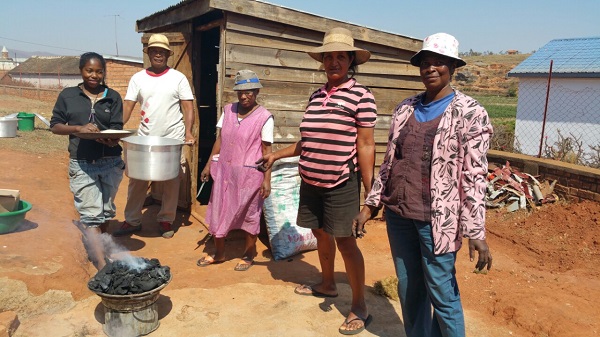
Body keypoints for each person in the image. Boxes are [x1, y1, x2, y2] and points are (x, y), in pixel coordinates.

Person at [353, 33, 494, 337]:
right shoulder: (406, 108)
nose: (430, 69)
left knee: (442, 292)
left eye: (438, 63)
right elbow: (391, 161)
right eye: (425, 63)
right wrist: (370, 204)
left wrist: (476, 231)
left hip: (438, 219)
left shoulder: (470, 112)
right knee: (410, 288)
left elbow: (474, 175)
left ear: (452, 68)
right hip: (399, 214)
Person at [257, 27, 376, 335]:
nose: (334, 62)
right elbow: (306, 141)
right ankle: (327, 284)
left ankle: (360, 305)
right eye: (328, 57)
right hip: (310, 181)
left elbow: (365, 145)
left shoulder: (361, 96)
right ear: (322, 61)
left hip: (341, 183)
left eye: (341, 57)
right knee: (319, 233)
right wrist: (276, 156)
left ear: (351, 61)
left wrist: (371, 191)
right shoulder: (316, 95)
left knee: (346, 243)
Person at [113, 33, 195, 239]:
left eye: (162, 51)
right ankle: (132, 219)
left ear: (168, 54)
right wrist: (115, 127)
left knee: (172, 179)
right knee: (137, 179)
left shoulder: (178, 78)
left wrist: (188, 132)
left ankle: (166, 218)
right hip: (146, 137)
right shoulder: (138, 78)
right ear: (148, 53)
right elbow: (128, 106)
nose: (158, 54)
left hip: (173, 137)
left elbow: (188, 107)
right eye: (154, 51)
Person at [50, 52, 125, 270]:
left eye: (99, 71)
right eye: (89, 70)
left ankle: (105, 246)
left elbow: (117, 127)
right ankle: (101, 264)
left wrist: (112, 139)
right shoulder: (68, 96)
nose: (94, 75)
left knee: (106, 211)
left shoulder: (113, 96)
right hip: (82, 162)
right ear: (81, 70)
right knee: (91, 216)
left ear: (104, 72)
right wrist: (78, 128)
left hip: (111, 162)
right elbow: (55, 125)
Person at [196, 70, 273, 271]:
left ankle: (248, 254)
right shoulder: (228, 110)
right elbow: (220, 140)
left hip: (249, 177)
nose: (244, 96)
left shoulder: (264, 117)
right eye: (240, 91)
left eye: (249, 91)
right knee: (218, 210)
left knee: (249, 215)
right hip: (224, 173)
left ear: (256, 92)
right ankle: (219, 253)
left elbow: (267, 151)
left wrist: (267, 179)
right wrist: (207, 165)